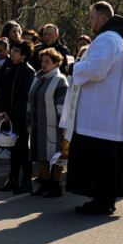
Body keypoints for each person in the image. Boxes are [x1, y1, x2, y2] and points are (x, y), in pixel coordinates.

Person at [64, 2, 123, 215]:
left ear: (103, 18)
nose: (90, 22)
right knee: (106, 161)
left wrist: (73, 67)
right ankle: (104, 199)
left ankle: (101, 201)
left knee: (98, 161)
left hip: (100, 113)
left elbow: (96, 69)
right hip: (107, 110)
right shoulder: (117, 39)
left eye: (92, 18)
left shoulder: (107, 39)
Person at [28, 48, 69, 197]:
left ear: (56, 63)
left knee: (55, 156)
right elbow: (30, 100)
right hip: (38, 125)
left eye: (47, 61)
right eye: (42, 61)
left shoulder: (60, 80)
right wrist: (29, 121)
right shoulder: (38, 78)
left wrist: (63, 126)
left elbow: (62, 105)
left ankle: (56, 185)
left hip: (54, 126)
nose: (44, 64)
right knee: (42, 155)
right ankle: (45, 183)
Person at [0, 40, 35, 193]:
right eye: (12, 49)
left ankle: (26, 181)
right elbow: (3, 92)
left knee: (23, 150)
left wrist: (11, 114)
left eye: (17, 50)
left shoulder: (28, 71)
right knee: (14, 150)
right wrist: (0, 112)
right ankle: (12, 180)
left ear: (24, 54)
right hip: (8, 115)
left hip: (20, 117)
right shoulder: (9, 68)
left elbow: (24, 96)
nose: (13, 52)